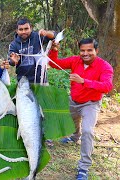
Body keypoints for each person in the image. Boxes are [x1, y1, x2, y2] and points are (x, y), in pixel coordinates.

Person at [48, 38, 113, 180]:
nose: (85, 53)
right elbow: (54, 64)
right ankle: (75, 136)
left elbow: (107, 87)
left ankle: (83, 168)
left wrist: (83, 81)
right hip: (74, 100)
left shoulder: (105, 66)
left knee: (88, 131)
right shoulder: (75, 60)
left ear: (97, 50)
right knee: (72, 119)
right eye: (82, 50)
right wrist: (54, 50)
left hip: (91, 103)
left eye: (89, 50)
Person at [8, 17, 55, 84]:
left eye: (26, 29)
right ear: (17, 30)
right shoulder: (13, 44)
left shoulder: (37, 37)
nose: (23, 32)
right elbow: (11, 62)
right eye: (21, 29)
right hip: (23, 82)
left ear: (31, 28)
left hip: (41, 80)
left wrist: (46, 33)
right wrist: (13, 61)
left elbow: (54, 36)